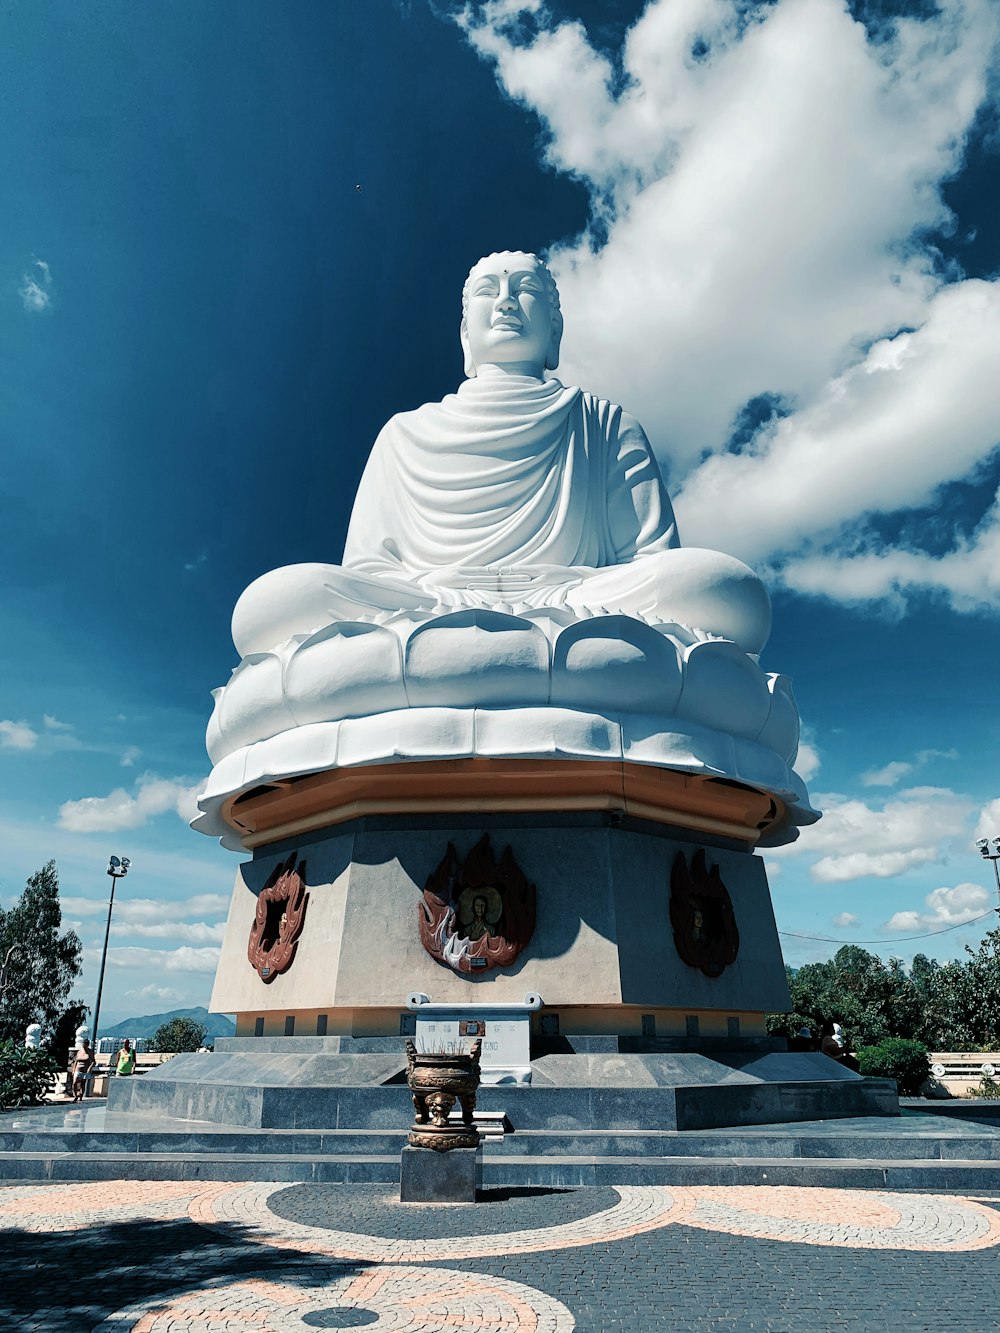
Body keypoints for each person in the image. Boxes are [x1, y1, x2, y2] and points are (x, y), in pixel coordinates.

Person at [231, 251, 771, 661]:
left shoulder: (604, 423)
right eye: (488, 291)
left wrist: (573, 593)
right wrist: (433, 595)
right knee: (277, 601)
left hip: (578, 601)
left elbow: (650, 562)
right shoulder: (404, 432)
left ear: (555, 330)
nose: (507, 302)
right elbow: (372, 569)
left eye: (526, 289)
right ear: (466, 330)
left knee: (720, 589)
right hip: (426, 604)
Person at [71, 1039, 95, 1103]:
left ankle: (81, 1096)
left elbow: (93, 1061)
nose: (83, 1046)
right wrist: (73, 1069)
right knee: (75, 1082)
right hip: (78, 1069)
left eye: (85, 1045)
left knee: (82, 1083)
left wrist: (89, 1068)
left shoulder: (90, 1052)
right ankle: (75, 1095)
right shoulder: (79, 1051)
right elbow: (76, 1061)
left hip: (85, 1069)